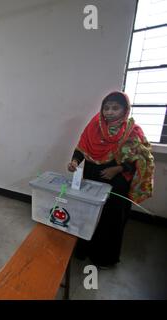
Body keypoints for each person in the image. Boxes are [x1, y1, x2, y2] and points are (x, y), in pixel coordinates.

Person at [67, 91, 154, 269]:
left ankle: (103, 258)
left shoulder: (132, 131)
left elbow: (140, 160)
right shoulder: (94, 125)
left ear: (125, 109)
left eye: (115, 108)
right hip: (92, 177)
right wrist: (75, 161)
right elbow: (82, 148)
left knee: (111, 219)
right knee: (88, 215)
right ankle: (83, 250)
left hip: (117, 182)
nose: (109, 112)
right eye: (106, 108)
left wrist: (118, 168)